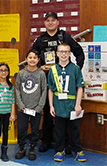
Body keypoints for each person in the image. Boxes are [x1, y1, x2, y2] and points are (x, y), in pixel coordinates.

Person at [32, 11, 85, 153]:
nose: (50, 22)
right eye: (47, 20)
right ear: (44, 23)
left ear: (57, 22)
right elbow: (32, 55)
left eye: (53, 20)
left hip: (66, 82)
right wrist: (39, 67)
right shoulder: (40, 39)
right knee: (49, 113)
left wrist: (76, 70)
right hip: (48, 79)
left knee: (66, 115)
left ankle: (66, 144)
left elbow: (79, 52)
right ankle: (47, 141)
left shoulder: (64, 37)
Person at [47, 43, 86, 162]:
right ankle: (60, 150)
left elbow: (80, 87)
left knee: (75, 129)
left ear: (70, 53)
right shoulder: (52, 70)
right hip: (58, 105)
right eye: (61, 51)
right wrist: (51, 106)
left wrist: (78, 104)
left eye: (66, 52)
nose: (63, 54)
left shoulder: (75, 69)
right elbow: (50, 89)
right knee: (59, 129)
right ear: (56, 54)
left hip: (72, 104)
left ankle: (77, 150)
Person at [15, 49, 47, 160]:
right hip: (22, 108)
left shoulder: (41, 74)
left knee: (34, 130)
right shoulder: (21, 73)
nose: (32, 60)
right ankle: (22, 147)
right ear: (26, 59)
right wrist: (20, 104)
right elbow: (17, 89)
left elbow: (44, 91)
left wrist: (39, 106)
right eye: (30, 57)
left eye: (34, 58)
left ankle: (32, 147)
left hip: (36, 108)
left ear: (38, 60)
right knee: (22, 128)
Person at [0, 62, 16, 163]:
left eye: (5, 70)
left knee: (6, 133)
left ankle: (4, 153)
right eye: (1, 70)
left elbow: (12, 101)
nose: (3, 72)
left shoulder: (10, 86)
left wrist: (12, 114)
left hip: (7, 113)